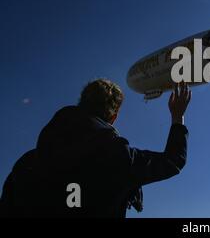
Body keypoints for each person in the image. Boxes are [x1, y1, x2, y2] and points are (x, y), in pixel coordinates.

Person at [0, 79, 191, 218]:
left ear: (81, 103)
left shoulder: (27, 163)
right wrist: (177, 117)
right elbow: (173, 161)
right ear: (114, 117)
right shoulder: (118, 156)